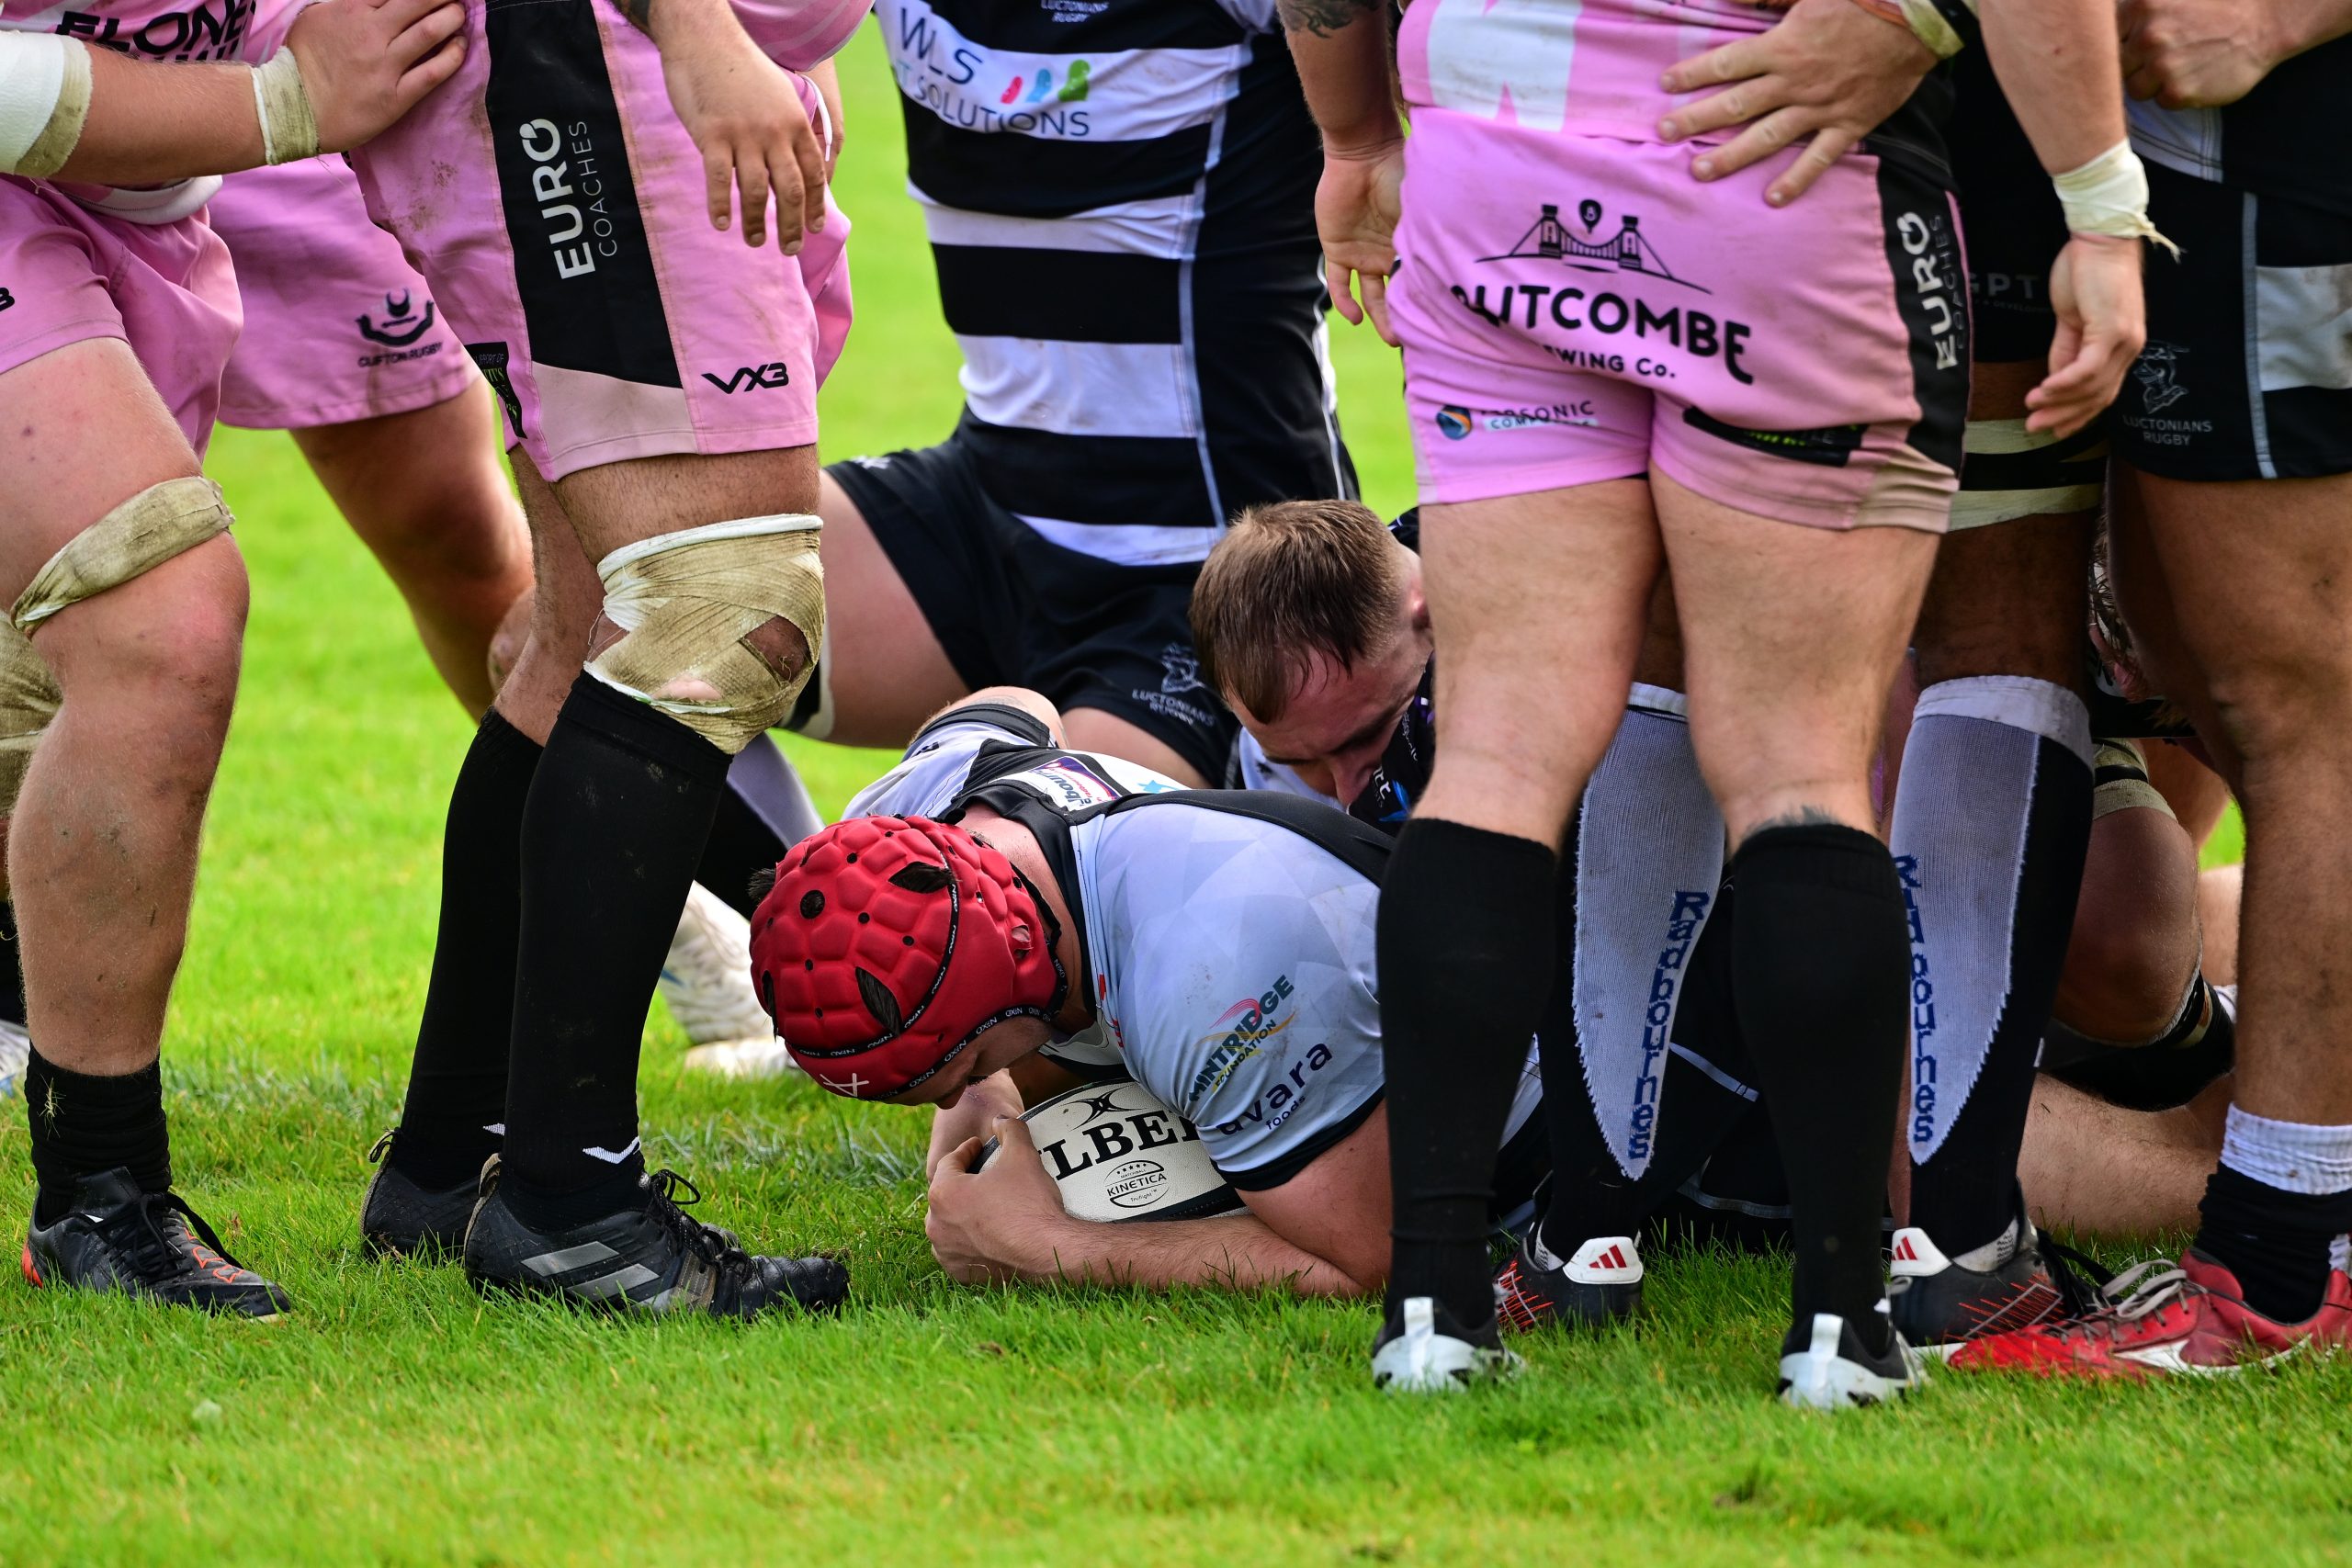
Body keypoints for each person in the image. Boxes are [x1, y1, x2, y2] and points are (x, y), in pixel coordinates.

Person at [1285, 0, 2149, 1404]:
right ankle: (1841, 1322)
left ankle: (1441, 1310)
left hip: (1500, 146)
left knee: (1498, 751)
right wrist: (2102, 203)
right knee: (1797, 763)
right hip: (1779, 158)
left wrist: (1349, 132)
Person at [345, 0, 865, 1317]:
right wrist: (695, 29)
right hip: (583, 59)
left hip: (588, 60)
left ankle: (453, 1155)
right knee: (717, 607)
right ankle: (568, 1201)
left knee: (587, 630)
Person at [0, 0, 467, 1314]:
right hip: (56, 160)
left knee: (52, 673)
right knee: (159, 617)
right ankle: (99, 1190)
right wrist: (287, 105)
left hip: (141, 201)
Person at [1957, 0, 2352, 1377]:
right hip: (2160, 167)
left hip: (2274, 157)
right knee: (2208, 672)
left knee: (2306, 713)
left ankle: (2285, 1267)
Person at [748, 692, 1549, 1299]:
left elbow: (1365, 1259)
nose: (955, 1095)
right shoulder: (908, 818)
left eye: (964, 1067)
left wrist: (1038, 1243)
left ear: (1023, 984)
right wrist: (978, 1091)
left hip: (1536, 1115)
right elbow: (1012, 706)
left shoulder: (1212, 978)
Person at [801, 0, 1354, 788]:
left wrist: (1366, 145)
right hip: (987, 508)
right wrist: (777, 52)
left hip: (1215, 578)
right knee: (627, 595)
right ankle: (716, 917)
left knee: (990, 879)